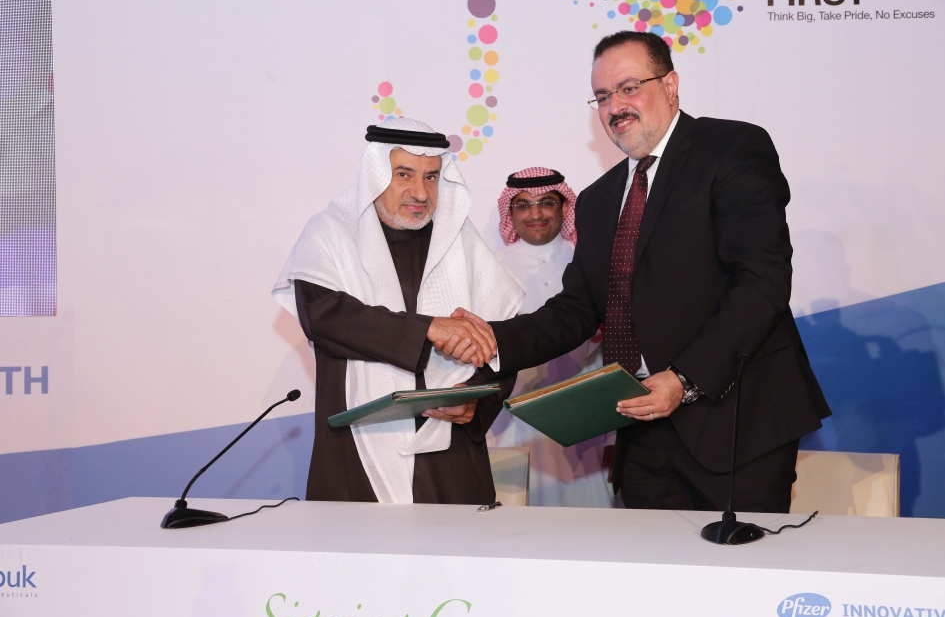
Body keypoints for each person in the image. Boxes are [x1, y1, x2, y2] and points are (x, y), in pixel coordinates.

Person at [458, 31, 831, 513]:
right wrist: (490, 340)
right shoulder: (597, 200)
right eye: (602, 96)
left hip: (737, 423)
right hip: (641, 431)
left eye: (629, 88)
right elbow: (576, 310)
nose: (615, 106)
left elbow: (762, 282)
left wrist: (684, 379)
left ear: (671, 85)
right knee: (646, 562)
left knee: (738, 562)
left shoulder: (731, 148)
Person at [272, 118, 523, 505]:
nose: (420, 192)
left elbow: (501, 341)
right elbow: (325, 317)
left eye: (431, 177)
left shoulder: (461, 241)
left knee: (456, 543)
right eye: (404, 174)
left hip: (446, 451)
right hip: (358, 448)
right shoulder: (331, 234)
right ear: (375, 175)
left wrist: (475, 396)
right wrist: (429, 329)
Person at [488, 167, 615, 507]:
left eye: (546, 202)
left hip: (585, 407)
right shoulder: (490, 267)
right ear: (510, 212)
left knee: (591, 510)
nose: (536, 214)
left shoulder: (589, 262)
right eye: (523, 205)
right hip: (514, 413)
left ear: (564, 207)